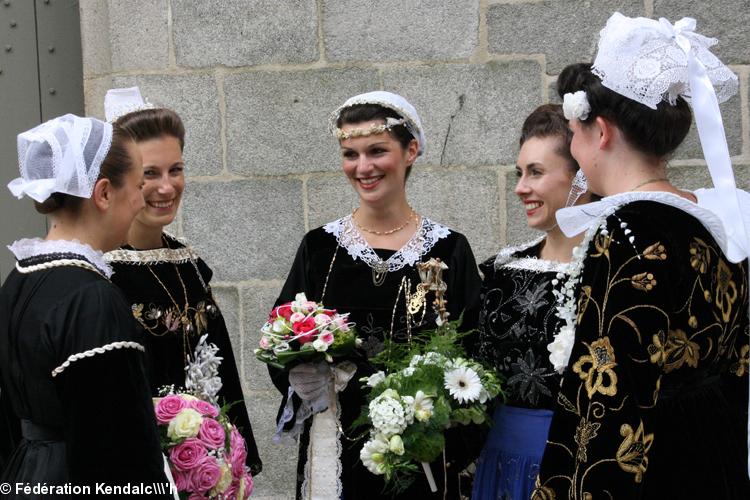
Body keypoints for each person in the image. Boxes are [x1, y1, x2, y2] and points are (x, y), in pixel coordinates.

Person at [532, 13, 750, 499]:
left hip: (657, 470)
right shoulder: (715, 221)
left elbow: (605, 397)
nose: (573, 144)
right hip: (718, 462)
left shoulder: (628, 228)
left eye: (573, 131)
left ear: (601, 133)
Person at [269, 91, 482, 499]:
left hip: (417, 461)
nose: (362, 167)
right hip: (336, 449)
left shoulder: (449, 250)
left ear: (411, 151)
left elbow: (473, 357)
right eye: (350, 154)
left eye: (377, 151)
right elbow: (281, 340)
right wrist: (296, 377)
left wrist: (437, 431)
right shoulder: (320, 249)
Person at [0, 114, 171, 494]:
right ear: (105, 193)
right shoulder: (90, 297)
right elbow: (117, 452)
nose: (142, 198)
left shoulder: (17, 279)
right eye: (140, 184)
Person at [101, 87, 262, 475]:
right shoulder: (104, 275)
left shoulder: (189, 266)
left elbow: (226, 380)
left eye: (176, 169)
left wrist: (231, 459)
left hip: (206, 470)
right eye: (149, 174)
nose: (166, 187)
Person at [471, 104, 591, 500]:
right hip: (498, 466)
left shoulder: (612, 275)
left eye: (536, 172)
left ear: (580, 177)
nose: (521, 187)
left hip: (574, 468)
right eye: (520, 173)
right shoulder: (500, 271)